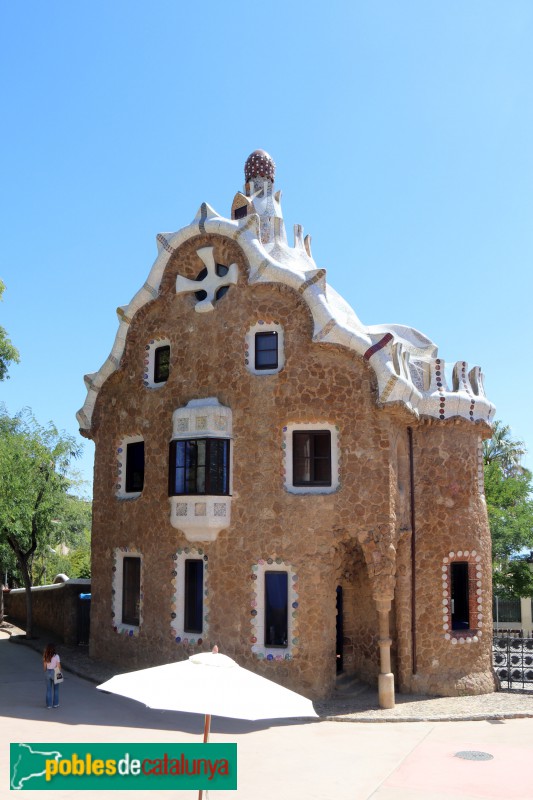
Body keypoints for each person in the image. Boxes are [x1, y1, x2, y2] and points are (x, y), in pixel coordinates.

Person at [43, 643, 61, 709]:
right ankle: (55, 704)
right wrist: (59, 673)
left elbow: (44, 667)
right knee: (56, 689)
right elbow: (58, 666)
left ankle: (49, 705)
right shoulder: (57, 656)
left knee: (48, 689)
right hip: (55, 672)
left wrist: (46, 671)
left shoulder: (46, 656)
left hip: (48, 672)